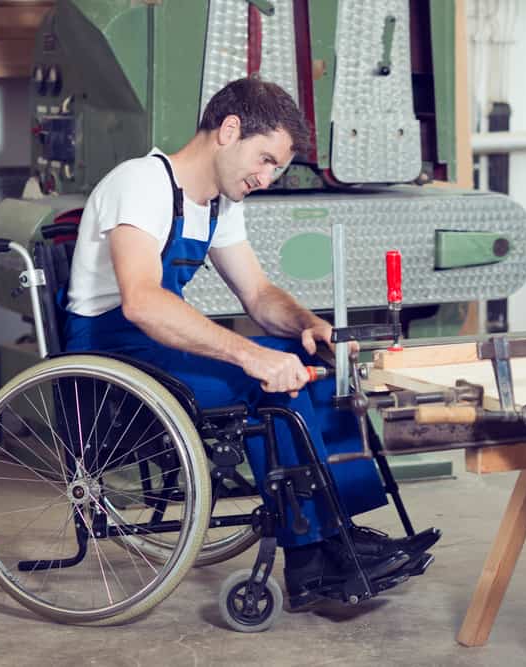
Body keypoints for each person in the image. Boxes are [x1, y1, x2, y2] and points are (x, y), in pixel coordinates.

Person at [62, 77, 439, 609]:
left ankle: (338, 532)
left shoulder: (216, 203)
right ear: (229, 130)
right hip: (114, 354)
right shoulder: (142, 183)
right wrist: (251, 354)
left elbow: (259, 294)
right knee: (268, 377)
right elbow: (142, 302)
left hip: (161, 346)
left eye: (276, 168)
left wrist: (312, 327)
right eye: (263, 160)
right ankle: (311, 558)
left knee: (308, 362)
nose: (266, 177)